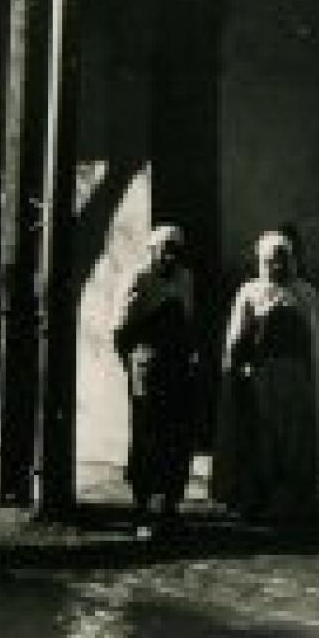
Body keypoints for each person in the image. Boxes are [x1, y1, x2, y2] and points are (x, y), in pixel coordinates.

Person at [210, 227, 319, 526]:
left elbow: (316, 347)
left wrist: (314, 382)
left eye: (282, 259)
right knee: (263, 440)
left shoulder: (307, 294)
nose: (277, 265)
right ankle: (261, 499)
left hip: (296, 378)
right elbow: (238, 339)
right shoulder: (250, 292)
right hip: (261, 377)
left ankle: (295, 501)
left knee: (296, 441)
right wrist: (239, 370)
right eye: (271, 260)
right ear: (261, 260)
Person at [113, 223, 197, 536]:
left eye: (176, 251)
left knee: (176, 436)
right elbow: (120, 329)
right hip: (147, 366)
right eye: (165, 250)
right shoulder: (139, 279)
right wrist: (134, 363)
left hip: (177, 368)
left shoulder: (186, 279)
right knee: (147, 435)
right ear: (153, 251)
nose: (170, 257)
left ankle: (170, 506)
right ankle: (142, 508)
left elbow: (187, 322)